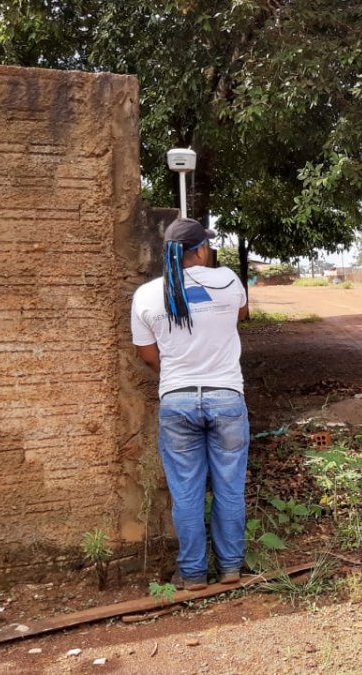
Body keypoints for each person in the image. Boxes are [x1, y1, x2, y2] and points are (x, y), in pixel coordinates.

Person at [130, 218, 250, 590]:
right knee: (229, 488)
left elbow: (148, 356)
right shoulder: (229, 281)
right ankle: (231, 568)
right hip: (226, 397)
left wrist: (181, 373)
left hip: (177, 401)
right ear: (200, 250)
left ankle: (194, 574)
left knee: (186, 492)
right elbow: (240, 316)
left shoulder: (146, 295)